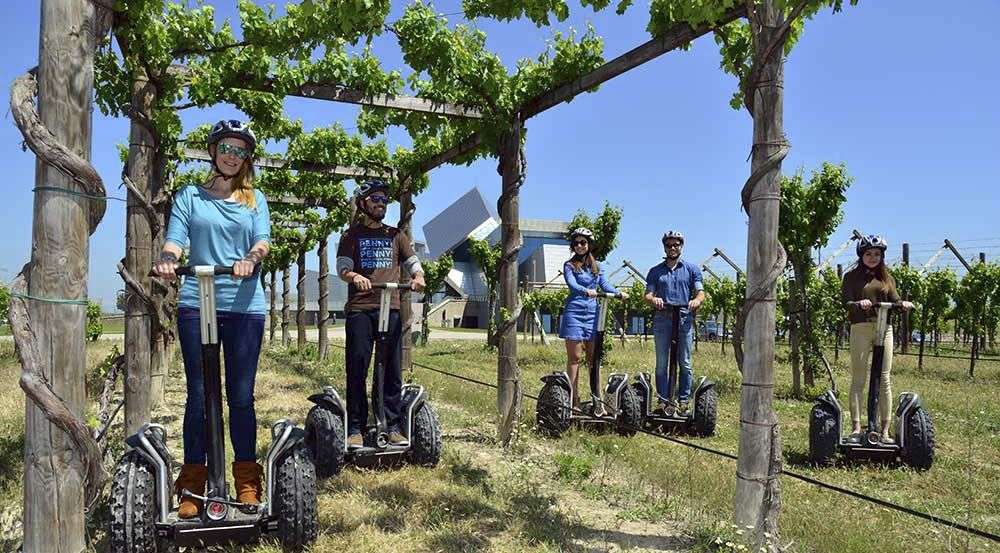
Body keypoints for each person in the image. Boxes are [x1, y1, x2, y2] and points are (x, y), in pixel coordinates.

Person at [153, 119, 271, 519]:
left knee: (240, 396)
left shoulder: (254, 199)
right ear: (213, 150)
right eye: (227, 148)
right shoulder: (190, 196)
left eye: (240, 151)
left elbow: (262, 242)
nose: (232, 156)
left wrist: (250, 260)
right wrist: (170, 259)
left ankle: (246, 480)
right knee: (199, 397)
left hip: (243, 306)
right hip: (195, 301)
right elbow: (176, 237)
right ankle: (193, 483)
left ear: (247, 158)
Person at [337, 179, 425, 450]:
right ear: (363, 203)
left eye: (384, 200)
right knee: (358, 366)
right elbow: (342, 267)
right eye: (375, 199)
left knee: (391, 368)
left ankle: (392, 424)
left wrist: (419, 276)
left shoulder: (396, 235)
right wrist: (355, 277)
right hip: (362, 308)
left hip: (392, 306)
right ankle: (355, 428)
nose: (380, 204)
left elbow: (413, 263)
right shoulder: (351, 235)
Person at [841, 234, 914, 444]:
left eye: (877, 254)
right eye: (868, 254)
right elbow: (846, 300)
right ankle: (856, 427)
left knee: (884, 378)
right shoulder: (851, 277)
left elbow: (895, 299)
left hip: (885, 328)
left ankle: (884, 430)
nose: (873, 257)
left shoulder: (887, 278)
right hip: (861, 328)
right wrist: (857, 302)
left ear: (882, 256)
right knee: (859, 378)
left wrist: (903, 304)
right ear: (861, 255)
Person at [557, 228, 625, 407]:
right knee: (575, 357)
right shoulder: (569, 265)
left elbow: (604, 284)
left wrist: (618, 293)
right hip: (575, 312)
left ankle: (597, 399)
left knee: (593, 358)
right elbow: (571, 284)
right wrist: (585, 291)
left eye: (583, 243)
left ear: (589, 245)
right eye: (577, 243)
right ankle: (572, 400)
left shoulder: (598, 266)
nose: (580, 246)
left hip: (593, 314)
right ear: (573, 246)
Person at [644, 231, 704, 415]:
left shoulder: (692, 269)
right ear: (664, 247)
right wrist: (653, 300)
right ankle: (663, 400)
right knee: (662, 363)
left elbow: (701, 291)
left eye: (676, 244)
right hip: (663, 320)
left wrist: (697, 301)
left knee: (685, 362)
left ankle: (683, 401)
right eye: (669, 245)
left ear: (681, 246)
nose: (672, 248)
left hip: (684, 319)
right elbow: (648, 295)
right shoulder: (655, 271)